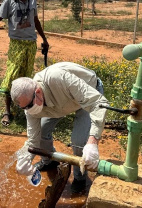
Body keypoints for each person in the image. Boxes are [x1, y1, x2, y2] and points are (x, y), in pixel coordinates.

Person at [10, 62, 109, 194]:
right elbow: (34, 139)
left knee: (79, 141)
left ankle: (80, 178)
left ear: (38, 92)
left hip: (86, 97)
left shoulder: (58, 79)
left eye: (28, 106)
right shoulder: (30, 102)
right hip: (61, 104)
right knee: (43, 132)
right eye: (23, 108)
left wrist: (93, 142)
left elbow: (98, 103)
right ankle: (49, 161)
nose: (27, 111)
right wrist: (25, 158)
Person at [0, 0, 49, 126]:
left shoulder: (32, 0)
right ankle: (7, 111)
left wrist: (44, 38)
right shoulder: (9, 1)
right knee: (12, 75)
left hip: (30, 44)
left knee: (25, 78)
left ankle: (25, 108)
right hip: (16, 43)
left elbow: (35, 20)